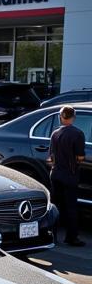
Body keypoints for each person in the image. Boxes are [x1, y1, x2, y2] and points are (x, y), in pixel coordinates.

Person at [48, 104, 86, 248]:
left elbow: (50, 157)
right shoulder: (78, 134)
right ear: (73, 118)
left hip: (56, 173)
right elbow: (80, 157)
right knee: (71, 207)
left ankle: (52, 235)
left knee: (55, 206)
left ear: (61, 117)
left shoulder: (55, 133)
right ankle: (71, 238)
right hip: (70, 175)